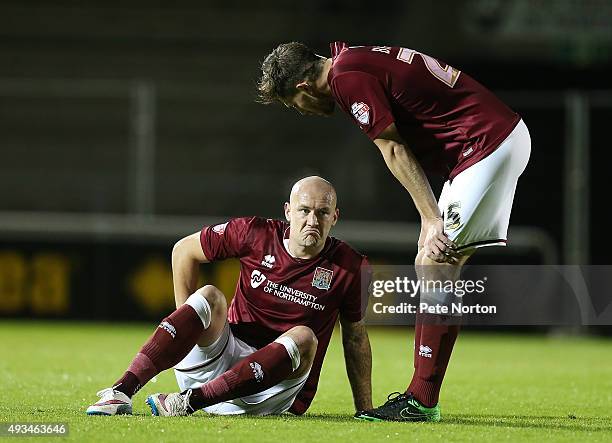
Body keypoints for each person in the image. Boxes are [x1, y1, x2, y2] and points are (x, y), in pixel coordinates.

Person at [257, 42, 530, 422]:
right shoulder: (348, 60)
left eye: (292, 104)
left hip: (486, 145)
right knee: (435, 266)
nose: (301, 111)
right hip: (483, 146)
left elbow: (394, 149)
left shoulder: (346, 78)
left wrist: (430, 218)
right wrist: (431, 216)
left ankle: (421, 400)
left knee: (435, 263)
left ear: (303, 87)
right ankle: (422, 396)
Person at [86, 176, 372, 417]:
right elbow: (183, 251)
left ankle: (188, 402)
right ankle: (121, 392)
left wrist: (365, 410)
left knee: (304, 337)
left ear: (334, 217)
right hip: (219, 360)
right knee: (210, 295)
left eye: (322, 213)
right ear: (288, 211)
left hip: (274, 389)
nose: (312, 220)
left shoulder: (350, 266)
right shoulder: (254, 233)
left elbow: (355, 338)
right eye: (304, 210)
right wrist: (187, 333)